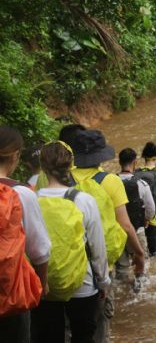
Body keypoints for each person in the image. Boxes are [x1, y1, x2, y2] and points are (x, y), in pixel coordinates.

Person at [65, 127, 145, 343]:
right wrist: (139, 254)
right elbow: (126, 226)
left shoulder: (59, 177)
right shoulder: (110, 181)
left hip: (63, 263)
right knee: (100, 323)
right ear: (100, 155)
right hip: (97, 264)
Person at [32, 141, 110, 343]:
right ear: (70, 165)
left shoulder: (31, 200)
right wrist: (103, 282)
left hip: (44, 285)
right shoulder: (84, 200)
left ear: (42, 167)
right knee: (83, 336)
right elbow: (97, 248)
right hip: (82, 285)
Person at [0, 127, 49, 343]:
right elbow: (40, 251)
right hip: (11, 293)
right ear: (16, 156)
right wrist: (43, 283)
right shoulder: (22, 194)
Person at [116, 148, 156, 281]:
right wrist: (146, 219)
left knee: (121, 268)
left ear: (119, 162)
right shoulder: (141, 184)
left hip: (117, 232)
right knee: (141, 262)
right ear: (135, 162)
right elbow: (151, 209)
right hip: (136, 230)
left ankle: (122, 294)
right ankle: (139, 290)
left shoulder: (111, 183)